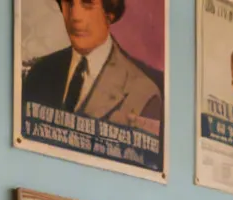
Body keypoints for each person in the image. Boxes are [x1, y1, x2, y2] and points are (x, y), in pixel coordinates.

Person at [22, 0, 164, 136]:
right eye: (68, 2)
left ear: (110, 11)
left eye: (87, 3)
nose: (75, 16)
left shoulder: (144, 95)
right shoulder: (39, 73)